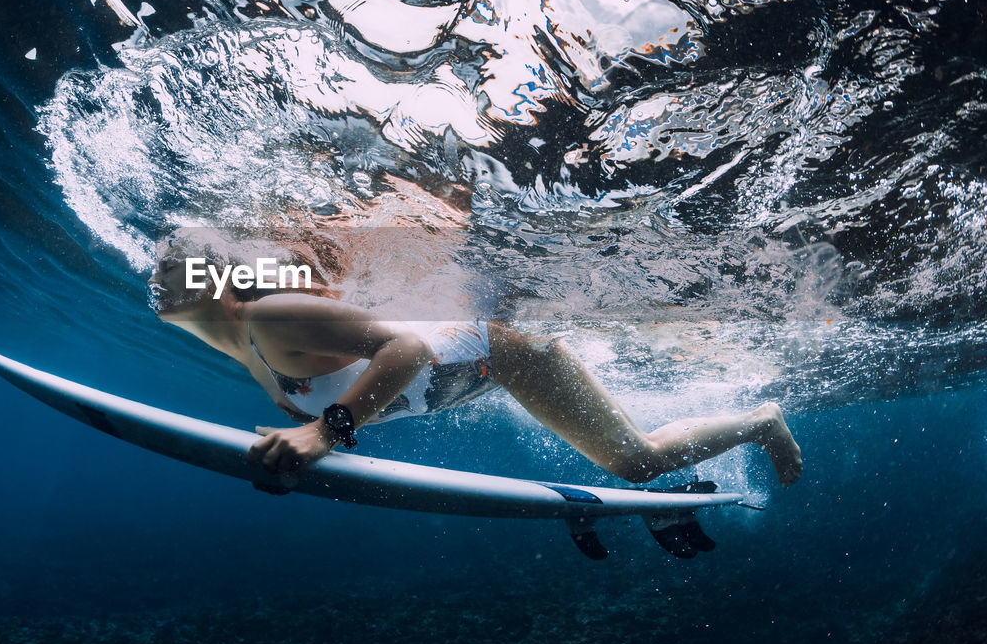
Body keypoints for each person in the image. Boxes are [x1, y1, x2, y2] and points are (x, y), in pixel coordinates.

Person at [148, 231, 802, 487]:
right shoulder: (247, 349)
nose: (157, 284)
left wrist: (323, 432)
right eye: (159, 279)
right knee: (626, 455)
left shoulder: (271, 317)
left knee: (638, 461)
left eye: (170, 275)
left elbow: (406, 347)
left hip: (503, 352)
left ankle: (762, 418)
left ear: (217, 287)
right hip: (467, 379)